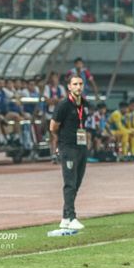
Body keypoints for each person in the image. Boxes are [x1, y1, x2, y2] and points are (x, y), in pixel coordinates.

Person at [50, 75, 89, 230]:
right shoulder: (64, 105)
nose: (78, 87)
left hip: (81, 146)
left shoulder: (84, 104)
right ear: (69, 87)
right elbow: (53, 127)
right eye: (75, 84)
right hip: (68, 147)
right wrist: (61, 143)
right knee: (70, 183)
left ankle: (65, 217)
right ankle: (72, 217)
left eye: (80, 84)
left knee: (77, 182)